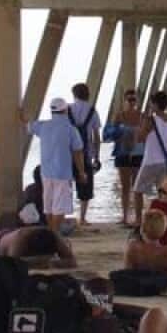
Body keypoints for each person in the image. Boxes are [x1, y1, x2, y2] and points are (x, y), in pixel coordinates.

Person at [26, 97, 87, 233]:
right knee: (60, 207)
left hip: (46, 173)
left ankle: (51, 233)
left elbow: (29, 124)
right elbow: (78, 153)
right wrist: (82, 172)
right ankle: (54, 235)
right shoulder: (71, 130)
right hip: (62, 173)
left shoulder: (43, 126)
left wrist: (23, 115)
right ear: (65, 110)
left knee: (48, 205)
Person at [123, 210, 167, 296]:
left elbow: (127, 273)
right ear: (164, 230)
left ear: (142, 229)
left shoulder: (132, 247)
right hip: (162, 285)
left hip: (139, 284)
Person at [132, 91, 167, 225]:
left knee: (138, 190)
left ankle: (139, 219)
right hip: (165, 161)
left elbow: (139, 138)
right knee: (162, 193)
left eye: (151, 103)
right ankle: (165, 219)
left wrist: (139, 126)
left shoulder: (151, 120)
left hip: (150, 161)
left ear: (155, 104)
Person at [68, 83, 102, 228]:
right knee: (85, 187)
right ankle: (82, 218)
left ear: (74, 94)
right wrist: (97, 156)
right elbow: (96, 136)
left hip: (68, 154)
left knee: (66, 186)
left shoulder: (67, 109)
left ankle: (63, 216)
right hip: (85, 154)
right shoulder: (92, 111)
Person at [110, 89, 145, 226]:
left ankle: (138, 217)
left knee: (137, 187)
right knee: (125, 187)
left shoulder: (142, 116)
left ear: (137, 101)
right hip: (122, 153)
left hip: (138, 153)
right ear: (124, 101)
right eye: (129, 99)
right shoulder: (119, 116)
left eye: (134, 100)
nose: (131, 102)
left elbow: (145, 135)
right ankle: (124, 216)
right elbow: (113, 134)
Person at [0, 224, 77, 269]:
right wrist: (35, 263)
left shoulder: (54, 236)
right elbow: (10, 267)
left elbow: (72, 261)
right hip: (0, 239)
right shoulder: (19, 241)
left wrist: (53, 263)